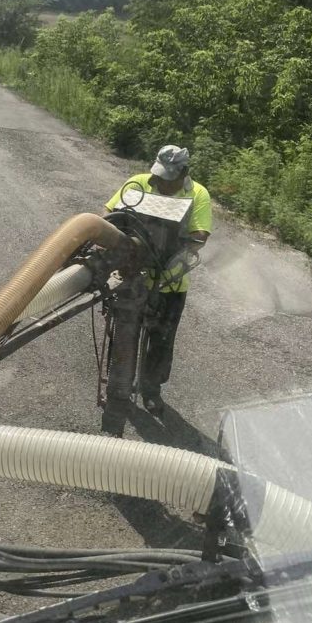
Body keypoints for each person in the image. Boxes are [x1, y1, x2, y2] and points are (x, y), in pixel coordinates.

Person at [101, 144, 212, 434]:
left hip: (170, 282)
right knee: (123, 335)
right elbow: (108, 216)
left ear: (185, 172)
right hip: (131, 275)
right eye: (160, 175)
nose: (162, 182)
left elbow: (200, 236)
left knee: (161, 341)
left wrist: (176, 247)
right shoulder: (137, 184)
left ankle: (151, 390)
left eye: (169, 177)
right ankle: (119, 386)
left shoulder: (197, 194)